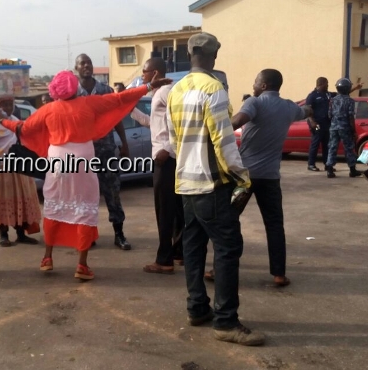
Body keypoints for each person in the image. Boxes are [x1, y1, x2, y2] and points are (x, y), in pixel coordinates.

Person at [0, 70, 171, 281]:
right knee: (85, 209)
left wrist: (3, 120)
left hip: (57, 163)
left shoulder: (48, 109)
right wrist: (148, 87)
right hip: (83, 162)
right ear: (75, 87)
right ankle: (82, 265)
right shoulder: (89, 103)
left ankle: (47, 258)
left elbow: (23, 128)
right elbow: (120, 98)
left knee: (53, 208)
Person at [167, 32, 265, 346]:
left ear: (188, 53)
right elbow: (224, 142)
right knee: (227, 249)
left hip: (185, 183)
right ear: (214, 56)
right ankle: (226, 321)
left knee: (193, 249)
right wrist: (241, 176)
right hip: (212, 184)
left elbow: (173, 140)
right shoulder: (215, 89)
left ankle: (197, 308)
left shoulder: (175, 90)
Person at [230, 69, 312, 287]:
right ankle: (279, 274)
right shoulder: (289, 107)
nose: (253, 85)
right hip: (270, 177)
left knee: (229, 220)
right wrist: (312, 109)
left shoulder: (254, 103)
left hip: (244, 177)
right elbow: (305, 110)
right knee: (275, 225)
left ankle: (221, 268)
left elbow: (237, 121)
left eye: (256, 82)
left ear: (264, 85)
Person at [129, 58, 184, 275]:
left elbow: (178, 124)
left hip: (166, 158)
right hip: (168, 156)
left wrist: (168, 149)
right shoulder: (160, 94)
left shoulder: (164, 93)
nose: (142, 76)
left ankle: (165, 260)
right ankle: (179, 252)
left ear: (155, 73)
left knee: (164, 210)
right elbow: (153, 123)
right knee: (177, 209)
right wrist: (130, 108)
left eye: (144, 72)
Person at [75, 53, 132, 250]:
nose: (87, 66)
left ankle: (119, 234)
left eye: (89, 62)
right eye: (82, 63)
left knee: (113, 192)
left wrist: (124, 144)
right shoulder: (72, 94)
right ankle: (88, 235)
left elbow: (117, 119)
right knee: (85, 196)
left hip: (106, 151)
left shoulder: (105, 90)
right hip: (82, 152)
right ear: (77, 68)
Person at [0, 96, 41, 247]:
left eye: (10, 104)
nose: (7, 108)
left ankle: (21, 234)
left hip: (19, 168)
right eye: (3, 105)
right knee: (1, 201)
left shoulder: (16, 122)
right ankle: (3, 235)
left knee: (20, 200)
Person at [305, 77, 361, 171]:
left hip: (329, 124)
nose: (328, 85)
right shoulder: (313, 96)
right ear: (321, 84)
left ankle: (327, 165)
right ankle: (311, 164)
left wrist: (355, 88)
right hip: (317, 124)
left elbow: (343, 94)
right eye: (326, 83)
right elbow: (308, 110)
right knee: (315, 143)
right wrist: (312, 122)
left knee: (328, 145)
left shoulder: (329, 95)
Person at [325, 78, 362, 179]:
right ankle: (352, 170)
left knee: (332, 147)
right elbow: (351, 117)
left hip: (333, 127)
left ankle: (329, 169)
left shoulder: (332, 100)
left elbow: (329, 115)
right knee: (349, 148)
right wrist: (354, 131)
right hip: (345, 127)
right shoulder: (350, 101)